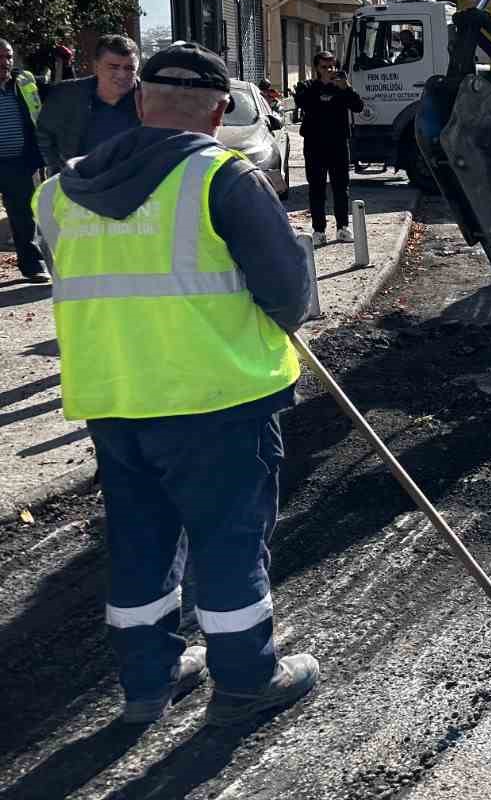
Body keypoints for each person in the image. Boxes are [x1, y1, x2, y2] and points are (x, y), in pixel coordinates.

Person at [31, 43, 318, 727]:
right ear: (219, 111)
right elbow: (290, 295)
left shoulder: (55, 196)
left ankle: (148, 681)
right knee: (228, 541)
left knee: (139, 541)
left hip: (115, 400)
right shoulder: (225, 178)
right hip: (218, 399)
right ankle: (246, 677)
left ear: (139, 102)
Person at [35, 33, 140, 174]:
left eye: (129, 68)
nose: (122, 75)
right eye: (114, 67)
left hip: (133, 186)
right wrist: (57, 169)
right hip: (78, 186)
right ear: (96, 66)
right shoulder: (67, 95)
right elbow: (44, 134)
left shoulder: (150, 100)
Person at [292, 51, 363, 246]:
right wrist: (323, 89)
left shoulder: (342, 87)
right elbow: (303, 102)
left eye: (332, 66)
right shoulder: (307, 87)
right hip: (315, 145)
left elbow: (358, 106)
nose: (329, 70)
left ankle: (342, 227)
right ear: (317, 68)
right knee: (317, 189)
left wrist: (346, 88)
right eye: (324, 67)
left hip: (339, 144)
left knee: (341, 187)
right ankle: (319, 230)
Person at [0, 38, 49, 282]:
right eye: (0, 57)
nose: (5, 62)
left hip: (19, 162)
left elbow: (57, 90)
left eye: (8, 56)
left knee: (23, 215)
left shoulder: (24, 81)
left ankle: (33, 266)